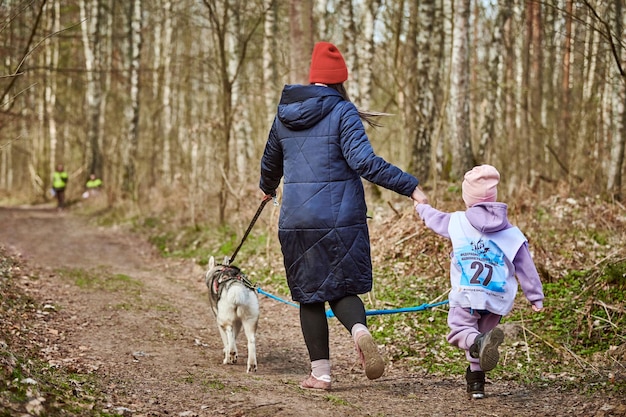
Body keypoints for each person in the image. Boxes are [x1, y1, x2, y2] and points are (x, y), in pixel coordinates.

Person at [259, 41, 428, 391]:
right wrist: (410, 186)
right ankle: (359, 330)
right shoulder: (344, 112)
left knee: (309, 296)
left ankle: (320, 374)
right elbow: (364, 162)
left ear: (312, 77)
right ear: (339, 79)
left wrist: (267, 187)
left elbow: (270, 164)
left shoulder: (284, 115)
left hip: (297, 221)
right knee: (341, 289)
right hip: (340, 219)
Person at [413, 164, 544, 399]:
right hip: (496, 297)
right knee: (481, 346)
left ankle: (479, 346)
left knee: (461, 332)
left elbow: (434, 219)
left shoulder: (457, 221)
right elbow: (526, 265)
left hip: (467, 295)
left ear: (467, 197)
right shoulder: (511, 232)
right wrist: (535, 296)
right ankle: (476, 386)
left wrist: (421, 208)